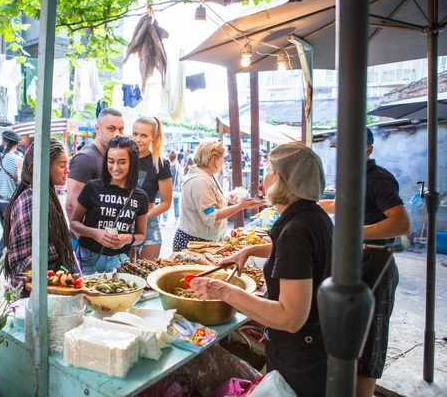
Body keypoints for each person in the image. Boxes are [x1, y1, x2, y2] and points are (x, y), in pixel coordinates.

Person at [191, 143, 331, 397]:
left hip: (302, 358)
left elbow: (290, 318)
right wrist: (249, 251)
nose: (264, 177)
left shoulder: (296, 231)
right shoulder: (313, 217)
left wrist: (223, 291)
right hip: (319, 347)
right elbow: (299, 253)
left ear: (280, 179)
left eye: (268, 169)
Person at [320, 128, 411, 397]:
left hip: (377, 263)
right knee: (351, 334)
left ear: (368, 151)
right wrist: (309, 206)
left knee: (371, 337)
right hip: (358, 260)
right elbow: (339, 205)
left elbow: (401, 224)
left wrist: (352, 231)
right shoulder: (354, 177)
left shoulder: (378, 179)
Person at [3, 140, 77, 297]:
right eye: (62, 165)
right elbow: (23, 262)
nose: (67, 170)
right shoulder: (33, 200)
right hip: (36, 291)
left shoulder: (42, 195)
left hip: (43, 286)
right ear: (45, 166)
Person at [70, 136, 148, 274]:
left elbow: (141, 235)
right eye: (111, 161)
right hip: (88, 257)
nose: (115, 167)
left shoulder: (140, 196)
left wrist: (128, 239)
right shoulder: (92, 187)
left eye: (122, 162)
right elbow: (74, 223)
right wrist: (94, 233)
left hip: (119, 260)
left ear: (133, 163)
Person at [173, 140, 263, 252]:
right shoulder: (201, 181)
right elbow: (211, 216)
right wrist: (240, 206)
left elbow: (208, 201)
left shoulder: (206, 176)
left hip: (201, 238)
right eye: (222, 158)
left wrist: (225, 197)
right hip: (194, 241)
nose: (223, 162)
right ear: (213, 159)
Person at [65, 108, 124, 220]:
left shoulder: (110, 157)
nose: (117, 134)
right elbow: (71, 206)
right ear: (97, 128)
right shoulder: (85, 158)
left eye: (121, 129)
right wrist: (84, 236)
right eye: (111, 129)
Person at [130, 116, 172, 260]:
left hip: (149, 222)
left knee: (147, 272)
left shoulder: (160, 163)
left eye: (144, 135)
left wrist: (142, 217)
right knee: (124, 274)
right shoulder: (123, 158)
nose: (138, 139)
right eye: (135, 134)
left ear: (153, 137)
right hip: (124, 221)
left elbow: (166, 202)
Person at [0, 130, 23, 267]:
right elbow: (21, 182)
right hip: (11, 202)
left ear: (4, 142)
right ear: (17, 144)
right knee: (8, 238)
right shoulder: (17, 160)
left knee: (7, 235)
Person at [163, 150, 183, 225]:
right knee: (176, 203)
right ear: (176, 157)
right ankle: (176, 219)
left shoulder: (166, 165)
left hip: (166, 186)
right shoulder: (178, 166)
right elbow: (181, 177)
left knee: (165, 203)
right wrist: (181, 184)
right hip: (175, 187)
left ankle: (165, 220)